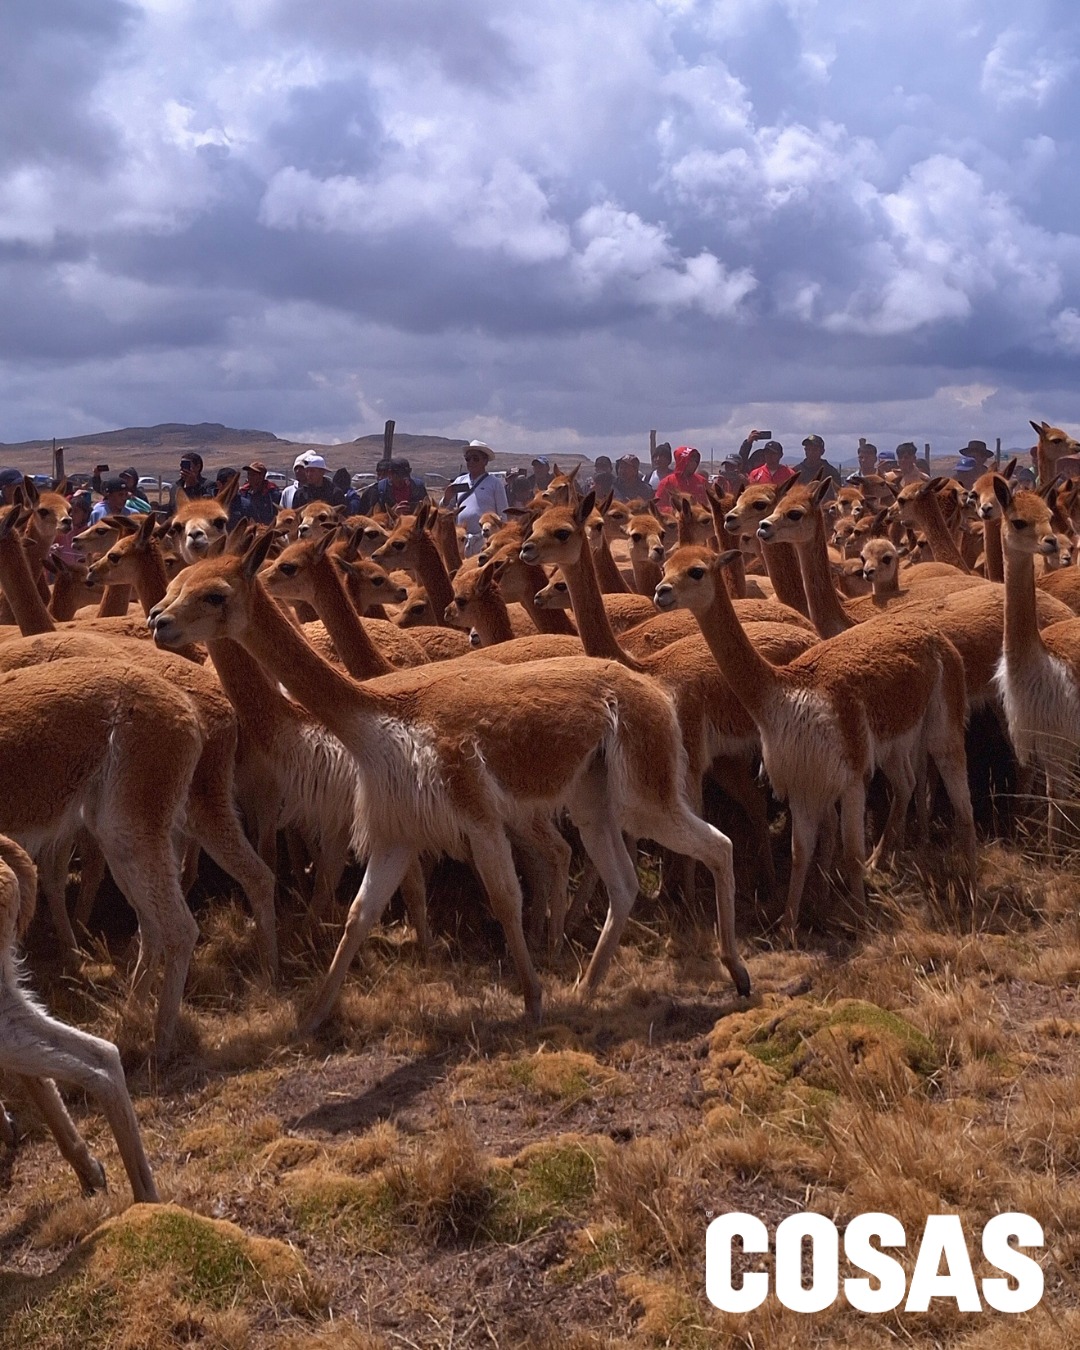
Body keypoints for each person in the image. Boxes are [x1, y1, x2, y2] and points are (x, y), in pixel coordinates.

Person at [442, 440, 508, 556]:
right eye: (468, 458)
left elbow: (503, 514)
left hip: (484, 539)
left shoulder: (494, 483)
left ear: (485, 461)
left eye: (475, 458)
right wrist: (446, 498)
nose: (471, 462)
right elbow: (445, 510)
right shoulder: (459, 481)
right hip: (462, 540)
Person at [236, 460, 282, 525]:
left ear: (262, 476)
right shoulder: (243, 493)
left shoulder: (272, 494)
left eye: (253, 475)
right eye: (249, 474)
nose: (250, 477)